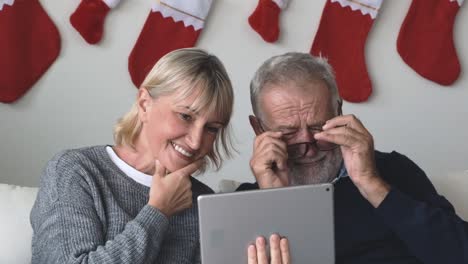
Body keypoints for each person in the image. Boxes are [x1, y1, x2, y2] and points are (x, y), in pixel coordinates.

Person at [30, 48, 288, 264]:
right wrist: (158, 212)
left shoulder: (203, 202)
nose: (197, 141)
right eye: (185, 116)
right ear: (144, 104)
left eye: (212, 129)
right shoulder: (77, 171)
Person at [238, 52, 468, 263]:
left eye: (319, 127)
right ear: (258, 128)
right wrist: (274, 201)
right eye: (288, 133)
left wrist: (370, 183)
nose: (308, 146)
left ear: (338, 112)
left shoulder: (394, 170)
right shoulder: (240, 205)